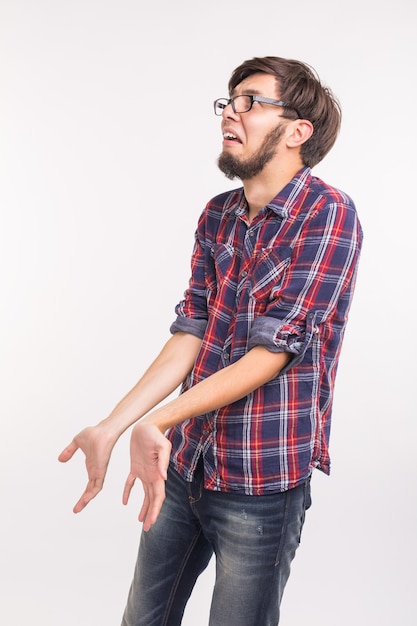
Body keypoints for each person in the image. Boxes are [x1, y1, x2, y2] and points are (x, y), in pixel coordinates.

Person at [59, 56, 363, 625]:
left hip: (260, 481)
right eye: (228, 101)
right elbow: (191, 331)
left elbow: (272, 353)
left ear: (298, 131)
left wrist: (161, 420)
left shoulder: (328, 215)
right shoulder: (218, 215)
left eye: (251, 101)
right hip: (185, 464)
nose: (230, 112)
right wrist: (115, 424)